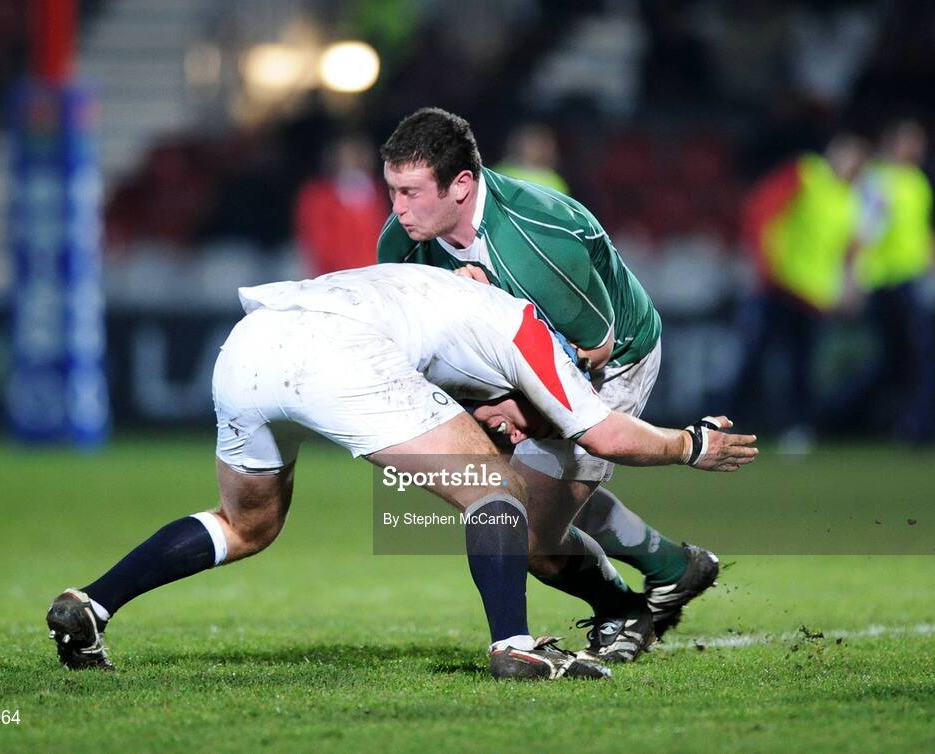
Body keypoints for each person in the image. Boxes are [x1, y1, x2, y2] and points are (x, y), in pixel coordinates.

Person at [46, 264, 757, 679]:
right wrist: (688, 444)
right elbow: (600, 430)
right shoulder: (527, 331)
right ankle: (515, 646)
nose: (513, 425)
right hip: (334, 353)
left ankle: (92, 606)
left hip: (251, 341)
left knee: (245, 523)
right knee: (497, 490)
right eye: (519, 415)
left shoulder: (427, 287)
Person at [377, 107, 723, 655]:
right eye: (392, 189)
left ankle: (624, 609)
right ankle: (674, 567)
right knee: (523, 495)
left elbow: (594, 346)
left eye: (412, 192)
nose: (397, 209)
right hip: (512, 366)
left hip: (613, 359)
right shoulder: (402, 245)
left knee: (532, 533)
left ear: (461, 185)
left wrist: (519, 405)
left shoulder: (537, 240)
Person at [734, 133, 869, 447]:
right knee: (755, 357)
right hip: (778, 285)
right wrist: (763, 261)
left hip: (813, 296)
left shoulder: (850, 199)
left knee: (801, 366)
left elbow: (850, 249)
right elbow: (763, 207)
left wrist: (851, 286)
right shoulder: (807, 172)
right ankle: (727, 422)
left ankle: (796, 428)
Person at [826, 119, 934, 442]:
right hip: (887, 284)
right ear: (892, 143)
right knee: (910, 358)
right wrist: (850, 278)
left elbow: (920, 231)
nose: (915, 148)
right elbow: (863, 231)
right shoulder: (879, 181)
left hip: (911, 280)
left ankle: (910, 426)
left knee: (902, 360)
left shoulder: (917, 182)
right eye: (909, 141)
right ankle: (837, 415)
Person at [294, 134, 390, 276]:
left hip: (376, 275)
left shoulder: (382, 192)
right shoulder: (317, 195)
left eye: (358, 155)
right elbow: (318, 244)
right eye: (348, 156)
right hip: (334, 277)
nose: (354, 162)